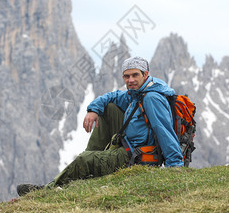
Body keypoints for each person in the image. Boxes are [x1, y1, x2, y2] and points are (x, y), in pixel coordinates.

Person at [17, 56, 184, 196]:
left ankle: (46, 191)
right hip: (131, 147)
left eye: (135, 75)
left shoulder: (151, 98)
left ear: (145, 74)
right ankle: (92, 157)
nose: (130, 80)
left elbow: (164, 132)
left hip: (140, 157)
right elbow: (112, 96)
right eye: (126, 76)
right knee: (108, 108)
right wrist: (93, 110)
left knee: (84, 160)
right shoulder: (136, 94)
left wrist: (175, 168)